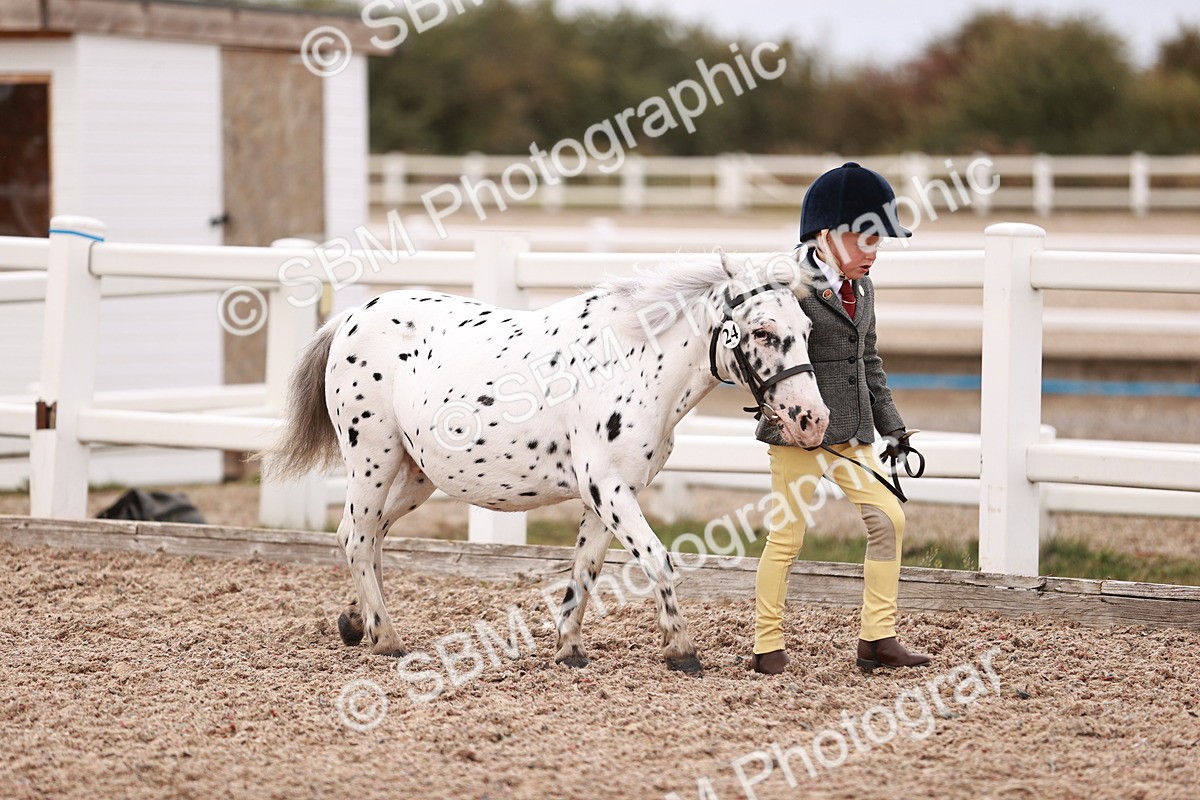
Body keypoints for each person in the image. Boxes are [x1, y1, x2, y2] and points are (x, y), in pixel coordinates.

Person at [751, 162, 931, 675]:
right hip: (799, 432)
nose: (875, 252)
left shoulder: (863, 287)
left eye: (880, 242)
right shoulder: (788, 285)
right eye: (866, 240)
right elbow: (766, 355)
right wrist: (779, 410)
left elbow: (867, 358)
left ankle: (878, 640)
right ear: (827, 236)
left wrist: (893, 426)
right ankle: (767, 645)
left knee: (888, 519)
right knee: (787, 535)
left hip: (851, 430)